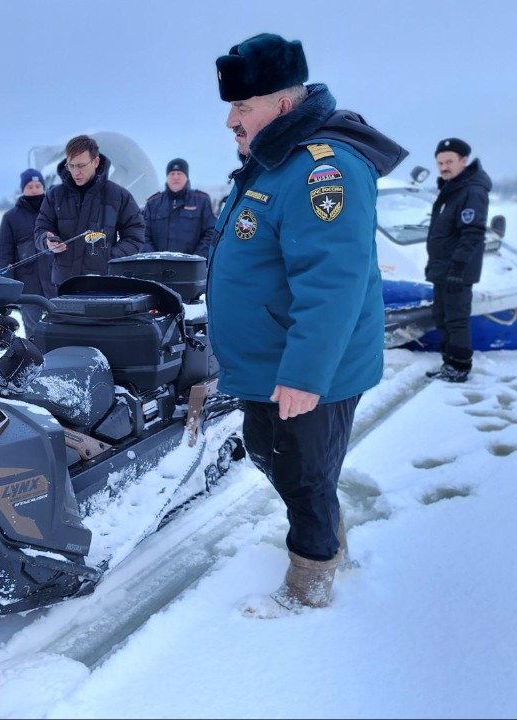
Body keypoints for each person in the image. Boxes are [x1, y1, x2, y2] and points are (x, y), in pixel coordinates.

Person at [207, 34, 408, 610]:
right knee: (274, 456)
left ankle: (311, 582)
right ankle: (326, 538)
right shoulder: (270, 165)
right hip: (271, 362)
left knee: (305, 479)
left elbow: (332, 283)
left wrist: (305, 374)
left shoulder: (325, 169)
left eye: (242, 107)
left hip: (308, 369)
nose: (230, 121)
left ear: (284, 105)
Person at [34, 134, 144, 292]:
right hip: (64, 285)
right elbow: (41, 229)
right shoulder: (55, 195)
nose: (75, 172)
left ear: (95, 162)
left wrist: (110, 257)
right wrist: (47, 241)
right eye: (71, 166)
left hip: (104, 284)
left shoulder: (119, 196)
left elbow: (135, 235)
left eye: (81, 165)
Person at [424, 138, 492, 383]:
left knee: (456, 319)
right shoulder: (452, 188)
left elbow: (472, 233)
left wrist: (458, 269)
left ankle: (460, 367)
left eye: (449, 161)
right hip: (443, 268)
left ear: (464, 161)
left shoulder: (471, 190)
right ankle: (449, 363)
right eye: (440, 162)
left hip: (457, 271)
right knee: (442, 316)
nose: (444, 167)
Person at [0, 169, 54, 337]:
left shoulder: (55, 212)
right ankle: (36, 361)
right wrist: (9, 287)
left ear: (44, 187)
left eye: (38, 185)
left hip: (55, 283)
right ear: (23, 190)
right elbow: (4, 253)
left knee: (60, 325)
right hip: (28, 286)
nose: (35, 189)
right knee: (33, 331)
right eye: (30, 186)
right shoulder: (11, 217)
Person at [141, 158, 217, 258]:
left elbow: (211, 232)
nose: (175, 177)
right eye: (172, 174)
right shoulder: (153, 203)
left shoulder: (201, 201)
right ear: (167, 177)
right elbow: (144, 234)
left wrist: (197, 258)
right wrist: (154, 258)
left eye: (179, 173)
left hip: (192, 268)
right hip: (158, 267)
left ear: (186, 177)